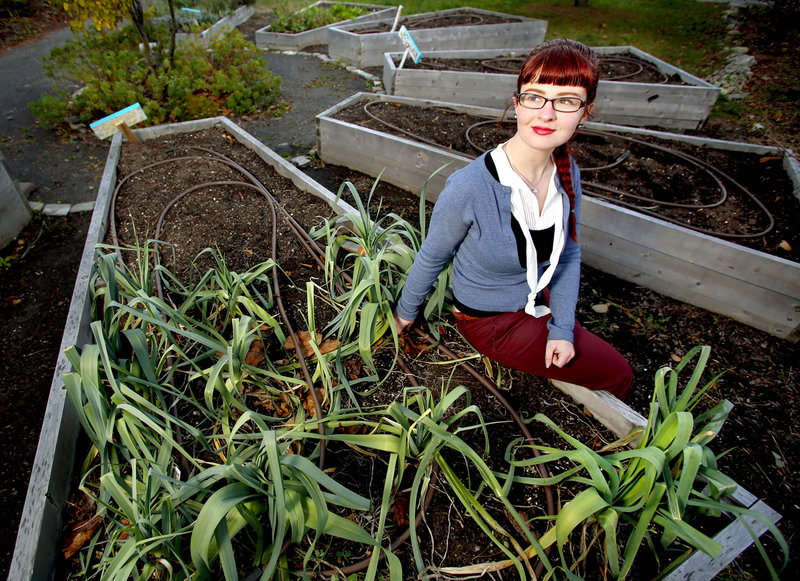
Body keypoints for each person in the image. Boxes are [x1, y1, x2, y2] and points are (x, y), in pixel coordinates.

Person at [393, 39, 632, 401]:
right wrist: (404, 313)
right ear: (517, 102)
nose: (546, 114)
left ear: (586, 112)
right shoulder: (471, 187)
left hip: (537, 295)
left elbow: (567, 255)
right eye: (535, 96)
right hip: (493, 321)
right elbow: (433, 254)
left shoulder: (567, 173)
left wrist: (562, 329)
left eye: (566, 101)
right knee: (621, 374)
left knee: (582, 346)